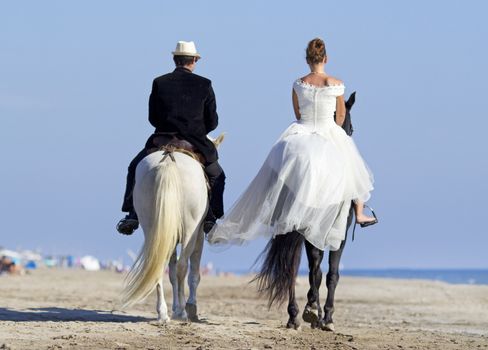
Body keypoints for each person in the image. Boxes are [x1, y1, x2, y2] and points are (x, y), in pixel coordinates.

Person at [208, 38, 376, 251]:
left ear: (307, 60)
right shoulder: (336, 84)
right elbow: (341, 116)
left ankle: (269, 210)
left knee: (272, 170)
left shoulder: (298, 84)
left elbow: (297, 113)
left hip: (301, 130)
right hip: (328, 128)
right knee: (354, 170)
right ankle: (360, 214)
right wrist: (333, 129)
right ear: (326, 58)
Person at [117, 41, 226, 235]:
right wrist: (198, 131)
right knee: (218, 175)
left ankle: (132, 214)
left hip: (162, 140)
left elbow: (153, 118)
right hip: (194, 142)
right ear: (193, 61)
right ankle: (211, 217)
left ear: (175, 60)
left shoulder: (159, 82)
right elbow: (212, 122)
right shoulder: (205, 84)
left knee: (134, 168)